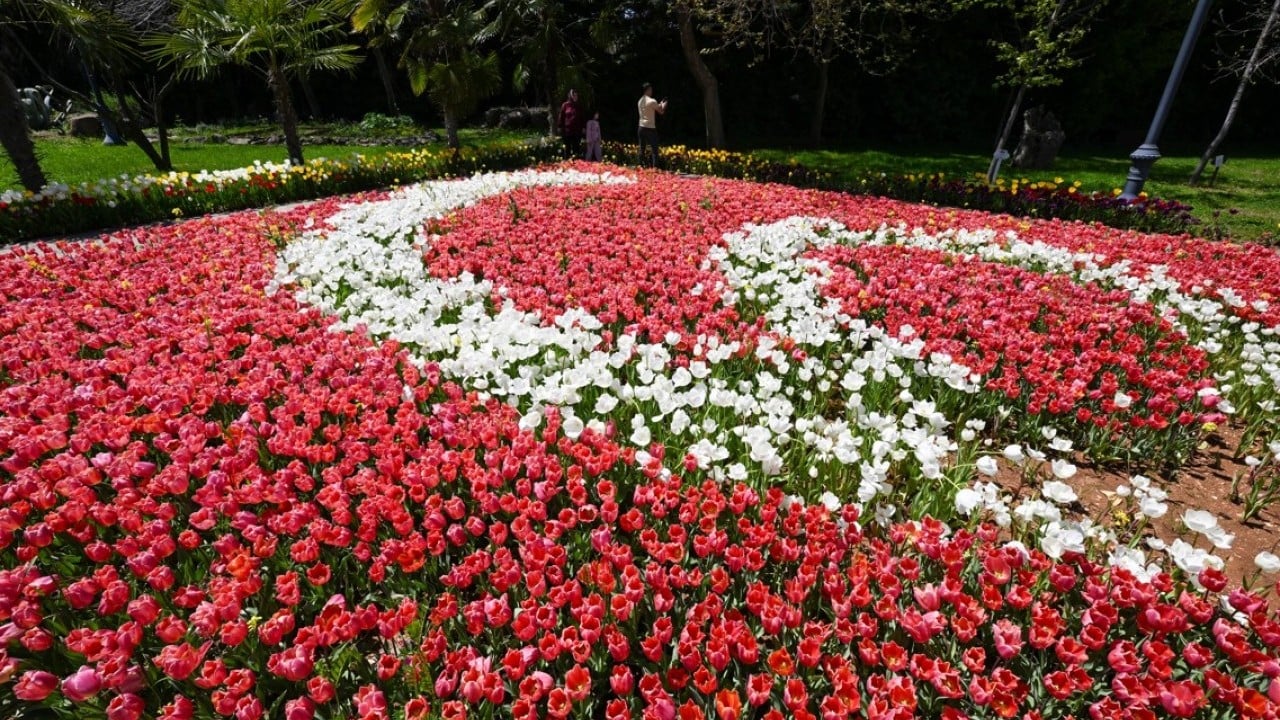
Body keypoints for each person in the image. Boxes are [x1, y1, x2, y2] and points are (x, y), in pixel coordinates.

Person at [637, 82, 667, 168]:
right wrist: (664, 105)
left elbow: (654, 107)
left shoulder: (639, 101)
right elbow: (661, 111)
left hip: (641, 127)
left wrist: (660, 104)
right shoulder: (652, 101)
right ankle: (655, 168)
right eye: (651, 90)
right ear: (648, 90)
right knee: (654, 149)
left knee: (642, 149)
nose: (652, 91)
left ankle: (640, 166)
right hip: (650, 127)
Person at [557, 89, 584, 159]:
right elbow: (561, 116)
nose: (576, 97)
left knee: (576, 147)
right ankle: (567, 162)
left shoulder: (579, 106)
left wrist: (583, 127)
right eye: (574, 95)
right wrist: (560, 127)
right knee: (567, 147)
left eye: (576, 96)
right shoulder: (565, 105)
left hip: (577, 130)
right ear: (570, 96)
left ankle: (576, 162)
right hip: (567, 130)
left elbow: (582, 118)